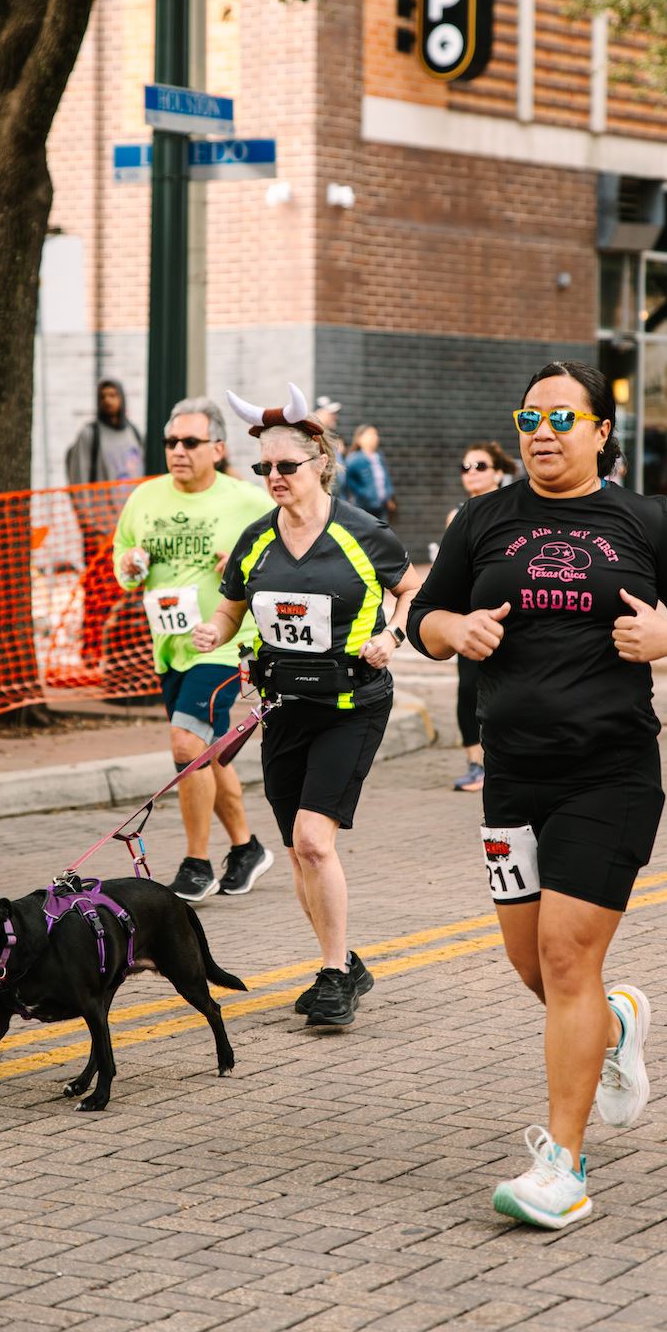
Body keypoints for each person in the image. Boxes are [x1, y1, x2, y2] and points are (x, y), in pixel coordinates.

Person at [408, 360, 667, 1230]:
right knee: (536, 969)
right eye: (529, 418)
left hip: (610, 771)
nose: (542, 432)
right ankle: (616, 1026)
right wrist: (454, 628)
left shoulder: (643, 519)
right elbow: (423, 618)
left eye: (561, 418)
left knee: (564, 957)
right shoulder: (484, 518)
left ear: (601, 432)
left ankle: (564, 1165)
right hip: (513, 776)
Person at [192, 384, 420, 1030]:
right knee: (297, 850)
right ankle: (342, 961)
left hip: (352, 704)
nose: (273, 477)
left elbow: (413, 591)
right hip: (283, 706)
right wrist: (214, 629)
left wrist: (392, 637)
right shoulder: (255, 539)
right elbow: (231, 606)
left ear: (319, 463)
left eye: (286, 465)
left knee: (315, 842)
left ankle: (332, 974)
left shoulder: (363, 533)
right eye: (263, 466)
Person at [113, 396, 274, 902]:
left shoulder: (248, 501)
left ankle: (196, 863)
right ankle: (247, 848)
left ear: (218, 448)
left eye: (190, 441)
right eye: (170, 442)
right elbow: (122, 560)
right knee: (208, 753)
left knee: (186, 745)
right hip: (171, 647)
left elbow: (288, 552)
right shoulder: (145, 497)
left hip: (225, 644)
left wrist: (246, 564)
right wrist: (131, 565)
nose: (177, 450)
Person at [449, 442, 517, 792]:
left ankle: (506, 758)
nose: (471, 473)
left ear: (497, 473)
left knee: (508, 685)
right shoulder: (457, 515)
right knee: (468, 688)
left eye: (479, 466)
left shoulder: (512, 511)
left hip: (509, 612)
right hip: (469, 613)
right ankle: (476, 764)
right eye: (466, 467)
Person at [64, 378, 145, 488]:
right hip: (102, 499)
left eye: (112, 395)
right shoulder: (90, 434)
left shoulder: (133, 432)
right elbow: (79, 477)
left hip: (132, 498)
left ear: (121, 398)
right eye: (102, 397)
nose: (107, 400)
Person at [344, 424, 395, 520]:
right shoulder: (354, 459)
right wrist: (364, 494)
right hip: (364, 507)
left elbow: (386, 478)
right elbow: (348, 481)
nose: (374, 437)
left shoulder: (379, 457)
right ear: (359, 439)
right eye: (370, 434)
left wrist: (389, 496)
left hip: (382, 506)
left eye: (376, 434)